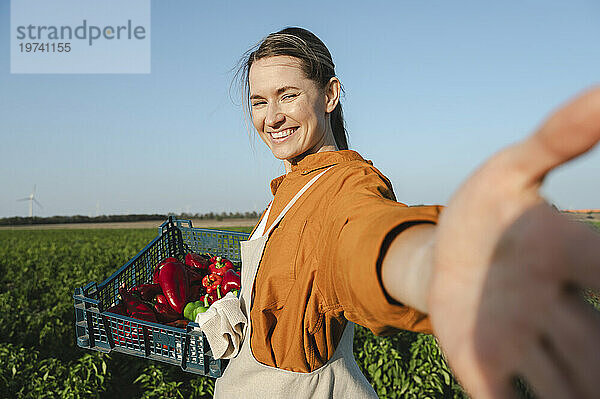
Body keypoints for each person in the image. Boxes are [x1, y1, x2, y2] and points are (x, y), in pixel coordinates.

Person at [211, 27, 600, 398]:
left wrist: (433, 265)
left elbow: (362, 239)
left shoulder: (346, 185)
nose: (271, 116)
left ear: (329, 95)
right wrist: (239, 308)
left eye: (288, 95)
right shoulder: (287, 189)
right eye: (259, 101)